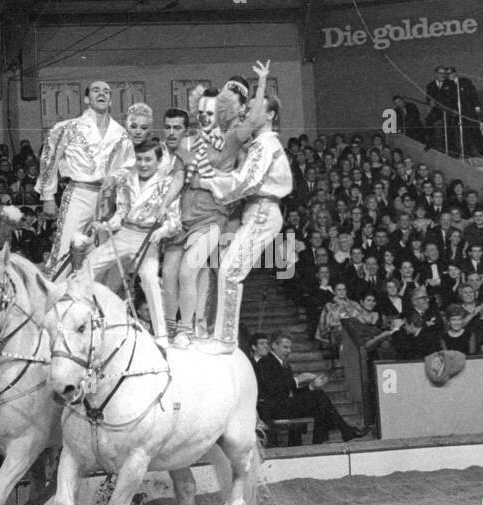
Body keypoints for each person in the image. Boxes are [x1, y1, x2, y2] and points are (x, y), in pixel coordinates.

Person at [195, 84, 291, 351]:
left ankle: (225, 340)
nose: (249, 113)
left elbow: (244, 182)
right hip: (258, 209)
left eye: (255, 109)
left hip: (262, 210)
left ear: (269, 115)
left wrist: (208, 182)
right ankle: (221, 336)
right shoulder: (260, 143)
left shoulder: (265, 144)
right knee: (227, 266)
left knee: (229, 270)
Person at [80, 139, 181, 341]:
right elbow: (121, 213)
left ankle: (161, 334)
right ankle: (86, 316)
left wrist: (161, 233)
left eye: (148, 160)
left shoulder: (167, 184)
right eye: (139, 159)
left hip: (148, 238)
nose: (143, 164)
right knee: (89, 264)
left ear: (159, 160)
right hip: (124, 235)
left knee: (150, 279)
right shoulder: (128, 179)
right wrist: (106, 224)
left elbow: (175, 223)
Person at [34, 80, 133, 277]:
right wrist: (48, 196)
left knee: (102, 252)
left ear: (111, 100)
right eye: (96, 90)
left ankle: (94, 300)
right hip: (79, 193)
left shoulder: (121, 133)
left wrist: (114, 178)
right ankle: (56, 294)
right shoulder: (68, 127)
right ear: (87, 98)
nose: (101, 94)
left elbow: (129, 165)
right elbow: (49, 159)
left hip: (108, 197)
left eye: (106, 91)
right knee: (66, 247)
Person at [254, 332, 366, 444]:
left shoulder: (285, 365)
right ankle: (336, 434)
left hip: (285, 405)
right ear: (274, 345)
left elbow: (292, 392)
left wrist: (312, 386)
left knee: (319, 398)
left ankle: (328, 437)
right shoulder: (264, 363)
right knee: (319, 397)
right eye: (285, 347)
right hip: (273, 408)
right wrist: (298, 379)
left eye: (290, 348)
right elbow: (272, 389)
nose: (289, 351)